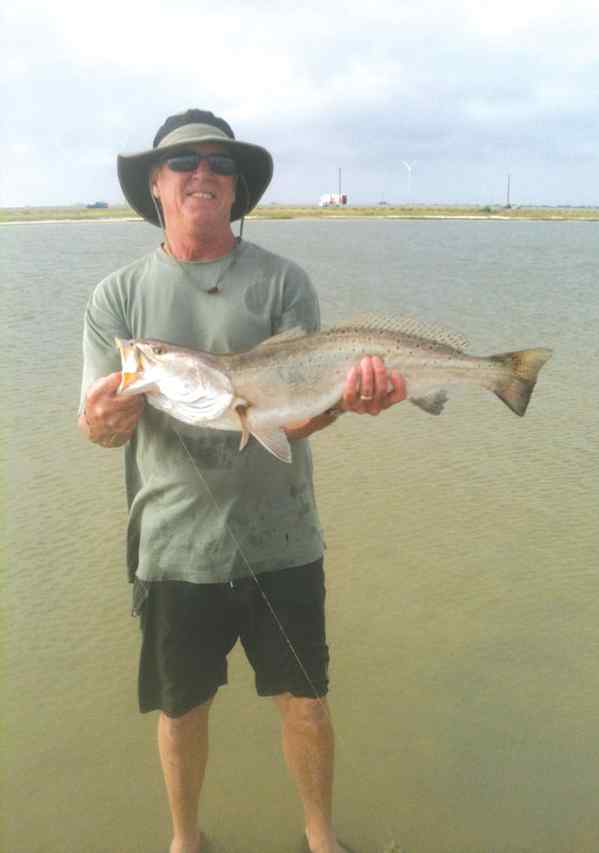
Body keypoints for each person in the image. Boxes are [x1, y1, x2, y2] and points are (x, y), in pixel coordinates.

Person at [78, 109, 406, 853]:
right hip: (172, 545)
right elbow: (99, 430)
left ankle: (320, 838)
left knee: (307, 703)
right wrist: (103, 418)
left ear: (235, 187)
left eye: (220, 164)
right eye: (184, 162)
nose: (203, 173)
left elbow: (299, 418)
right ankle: (185, 840)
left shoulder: (285, 281)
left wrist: (346, 402)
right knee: (180, 708)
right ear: (155, 183)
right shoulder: (115, 300)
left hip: (282, 537)